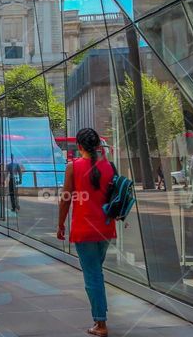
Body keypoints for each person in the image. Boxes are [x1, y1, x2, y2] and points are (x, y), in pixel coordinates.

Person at [57, 128, 116, 337]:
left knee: (92, 275)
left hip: (84, 229)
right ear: (98, 145)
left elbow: (65, 198)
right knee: (96, 272)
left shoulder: (73, 167)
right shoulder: (109, 166)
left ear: (79, 146)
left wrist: (60, 224)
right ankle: (100, 315)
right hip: (105, 229)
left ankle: (100, 324)